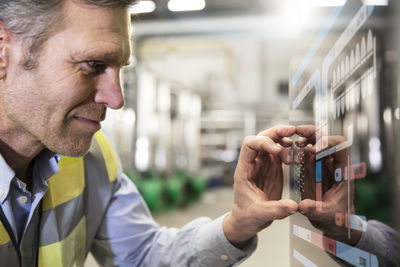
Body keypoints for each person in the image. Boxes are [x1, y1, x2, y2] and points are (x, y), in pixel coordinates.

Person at [0, 0, 298, 266]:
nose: (116, 99)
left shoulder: (91, 157)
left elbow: (141, 255)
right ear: (3, 50)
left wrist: (237, 224)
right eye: (93, 65)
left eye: (120, 70)